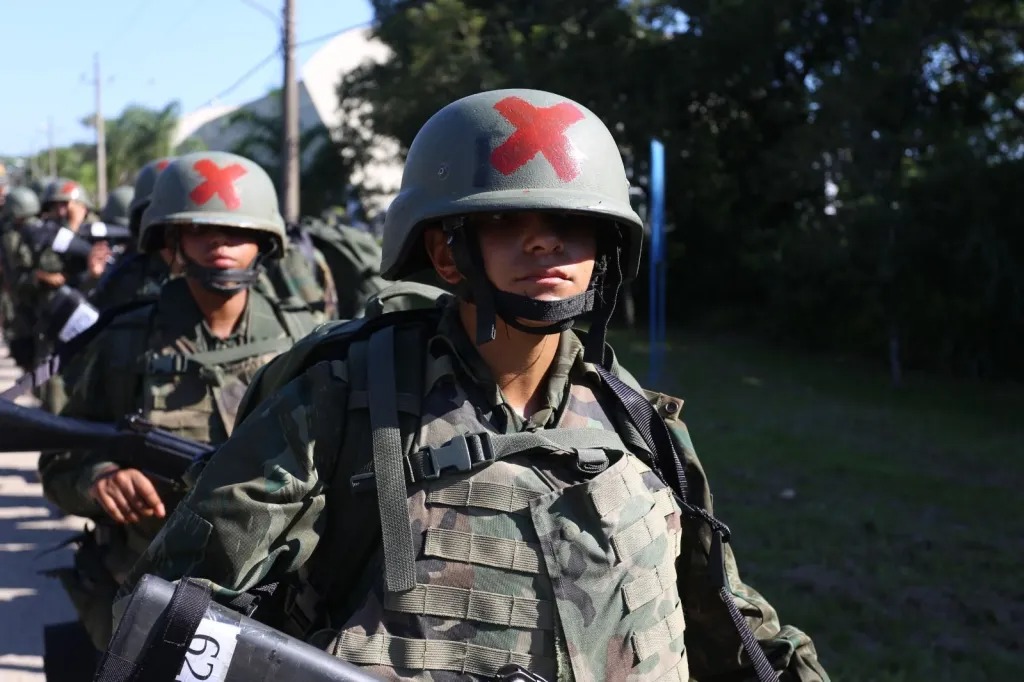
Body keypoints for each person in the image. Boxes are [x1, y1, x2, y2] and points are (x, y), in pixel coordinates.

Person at [122, 90, 828, 681]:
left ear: (604, 246)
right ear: (445, 250)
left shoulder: (638, 423)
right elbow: (176, 623)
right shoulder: (345, 402)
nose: (545, 242)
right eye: (504, 220)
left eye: (571, 222)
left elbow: (721, 612)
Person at [37, 151, 322, 652]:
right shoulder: (126, 342)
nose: (220, 244)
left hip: (281, 602)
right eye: (201, 230)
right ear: (171, 242)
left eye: (237, 231)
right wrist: (99, 477)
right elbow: (59, 457)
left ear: (264, 241)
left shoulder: (306, 339)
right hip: (147, 590)